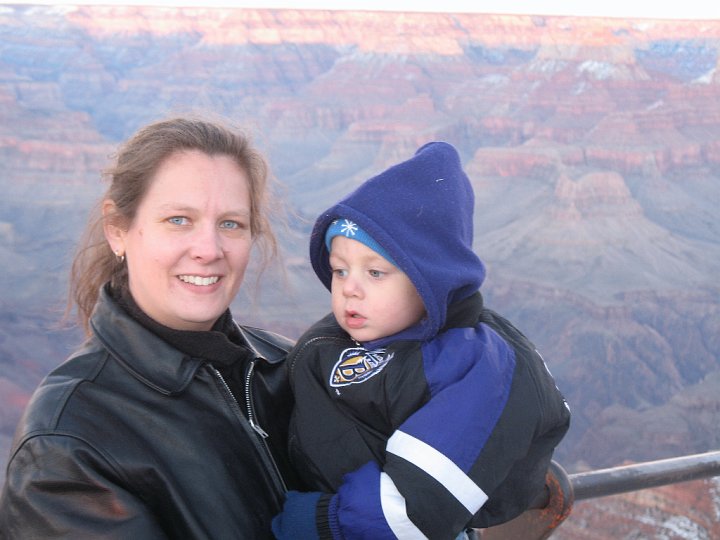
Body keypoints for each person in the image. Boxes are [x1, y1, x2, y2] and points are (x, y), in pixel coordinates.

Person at [0, 116, 301, 538]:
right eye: (179, 219)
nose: (209, 250)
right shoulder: (67, 441)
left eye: (230, 223)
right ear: (118, 230)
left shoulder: (291, 368)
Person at [272, 142, 571, 539]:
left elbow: (412, 510)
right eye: (340, 271)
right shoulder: (364, 336)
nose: (350, 289)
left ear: (430, 279)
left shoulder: (475, 369)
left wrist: (309, 522)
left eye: (376, 273)